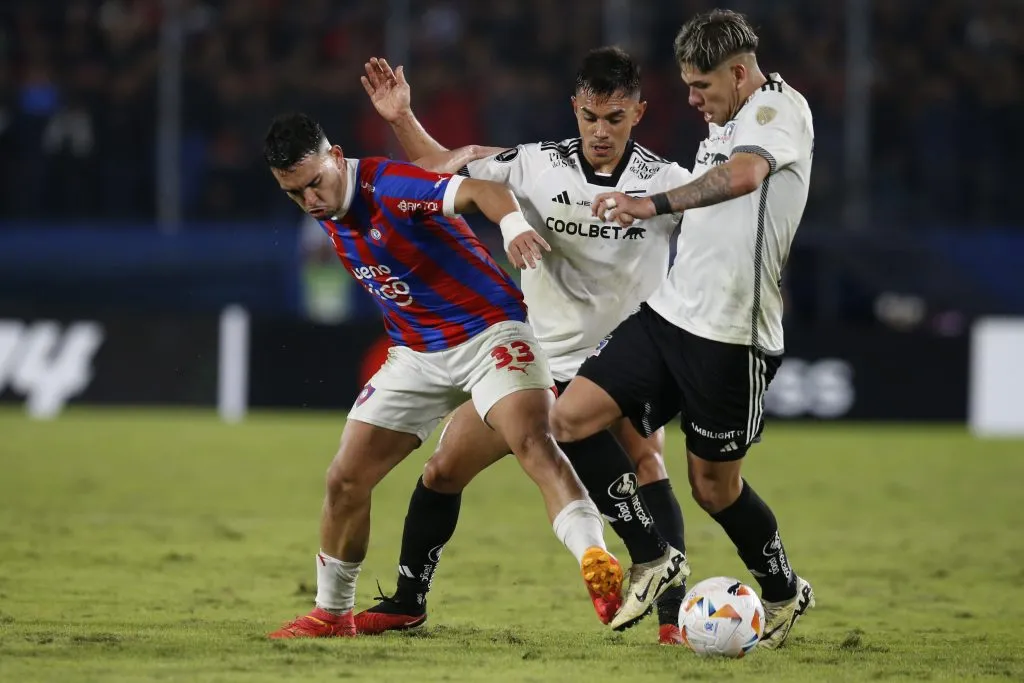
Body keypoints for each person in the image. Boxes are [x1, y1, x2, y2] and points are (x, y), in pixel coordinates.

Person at [354, 48, 689, 641]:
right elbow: (439, 169)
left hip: (623, 363)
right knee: (441, 470)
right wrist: (401, 117)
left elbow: (724, 235)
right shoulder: (535, 165)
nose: (600, 132)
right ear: (574, 110)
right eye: (590, 117)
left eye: (615, 118)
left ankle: (671, 622)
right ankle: (408, 600)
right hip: (535, 362)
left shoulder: (667, 185)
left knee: (647, 463)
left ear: (640, 111)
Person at [262, 112, 626, 638]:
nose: (310, 201)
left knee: (533, 441)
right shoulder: (322, 203)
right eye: (294, 194)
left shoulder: (388, 186)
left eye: (315, 182)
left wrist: (515, 225)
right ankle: (334, 613)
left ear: (336, 157)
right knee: (345, 480)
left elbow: (480, 190)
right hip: (416, 353)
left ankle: (595, 557)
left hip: (492, 333)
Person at [549, 9, 816, 645]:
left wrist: (651, 203)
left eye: (703, 86)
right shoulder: (725, 121)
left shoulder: (779, 112)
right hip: (670, 314)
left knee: (714, 490)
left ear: (741, 71)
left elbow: (747, 175)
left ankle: (782, 591)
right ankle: (651, 552)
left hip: (732, 337)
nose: (693, 99)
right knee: (569, 418)